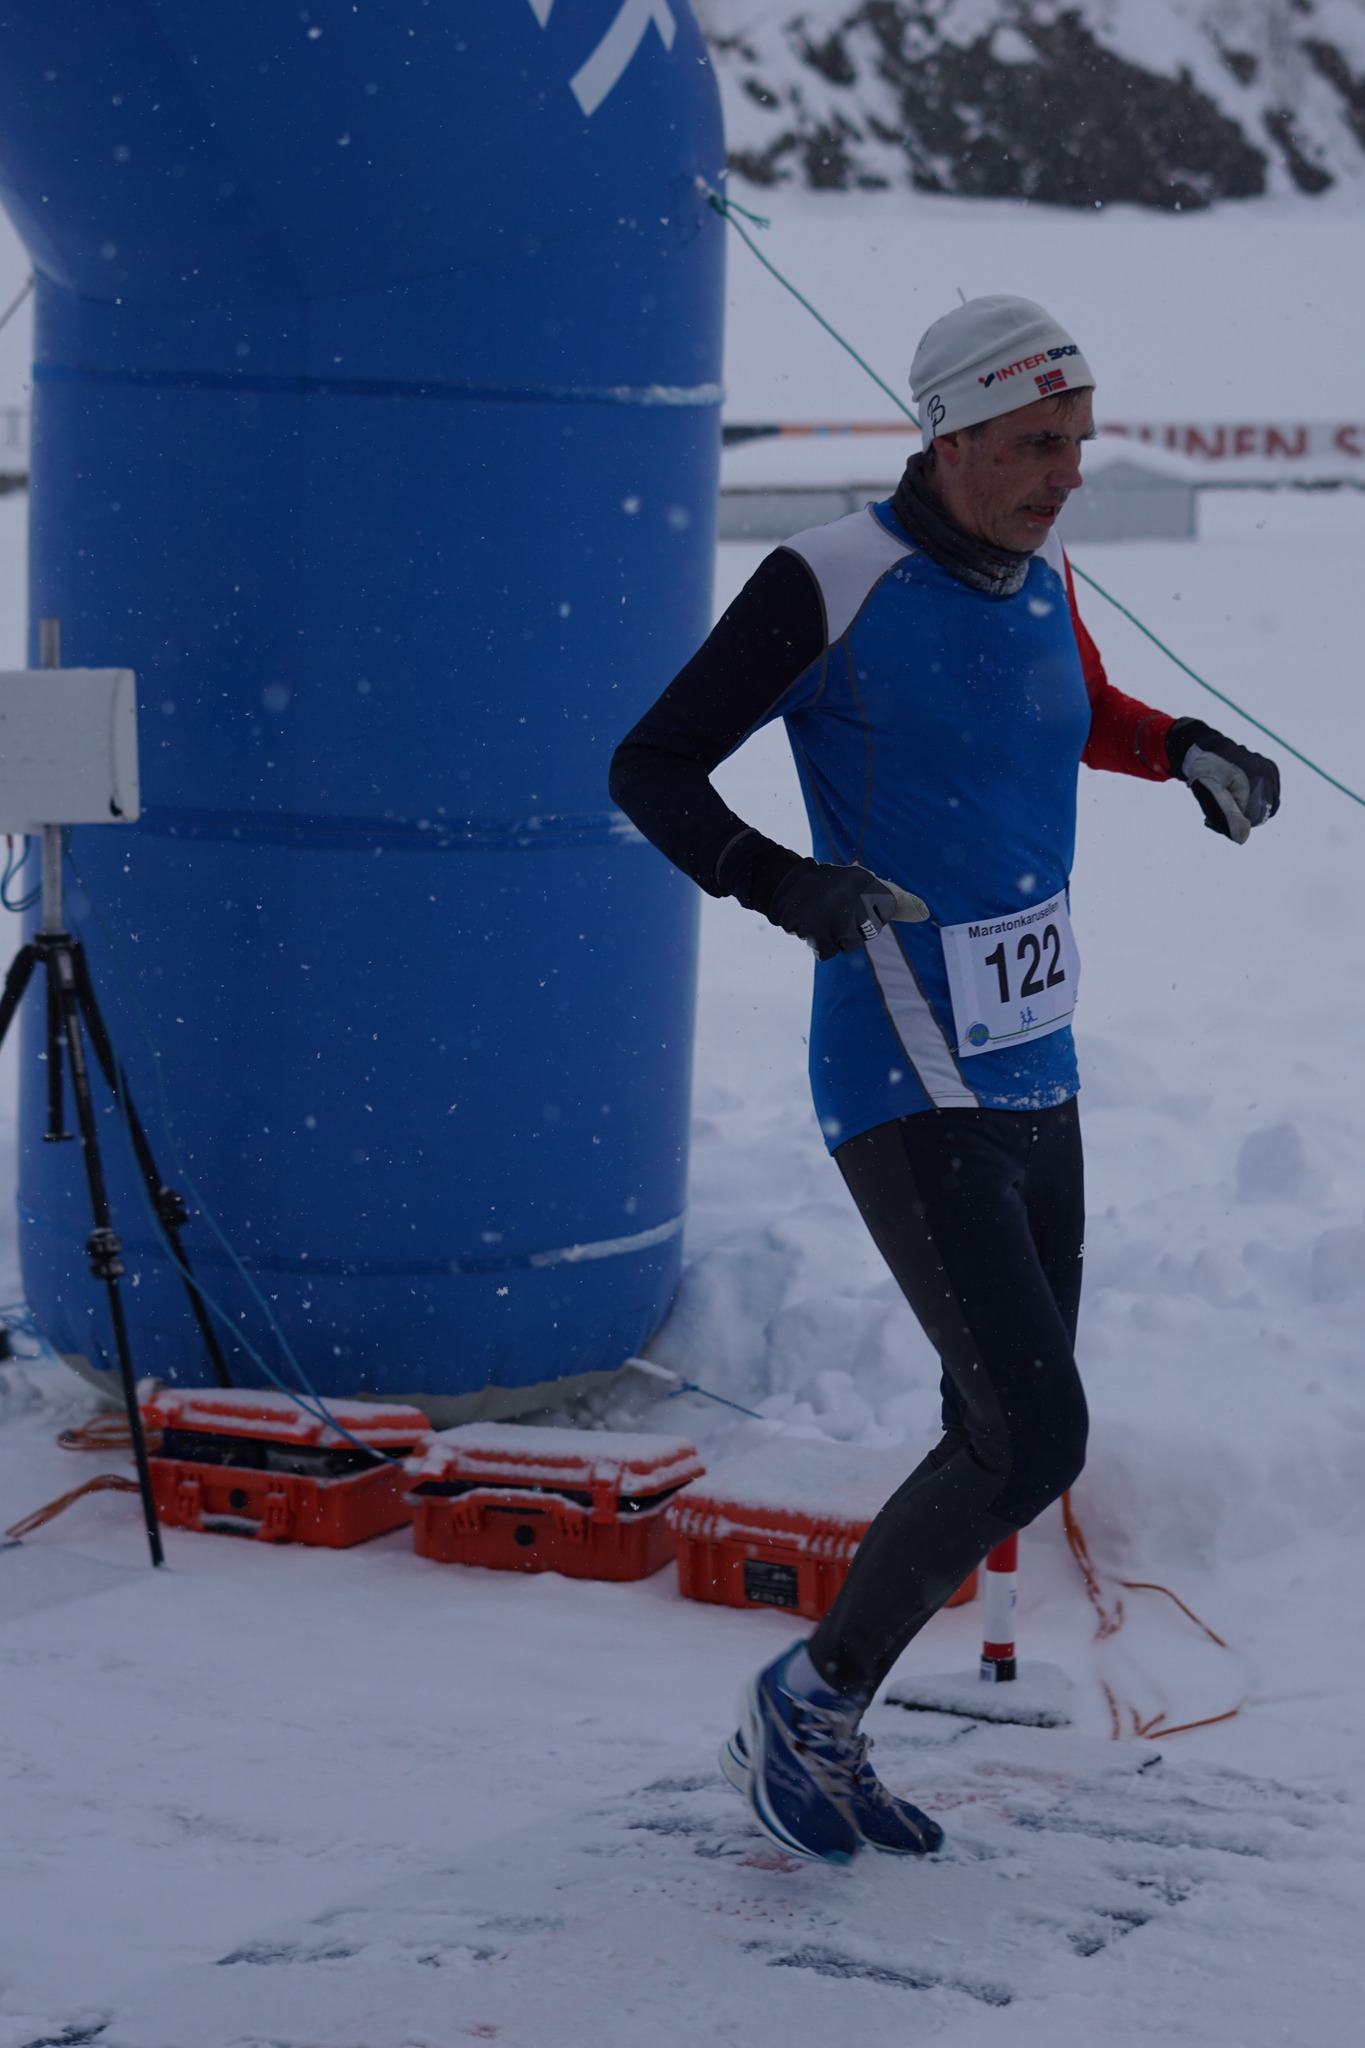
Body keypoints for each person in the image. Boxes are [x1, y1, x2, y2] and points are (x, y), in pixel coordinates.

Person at [609, 295, 1280, 1864]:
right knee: (1032, 1433)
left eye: (1077, 442)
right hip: (902, 1069)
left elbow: (1070, 708)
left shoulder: (1040, 574)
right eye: (1036, 443)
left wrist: (1179, 745)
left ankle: (824, 1719)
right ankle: (806, 1704)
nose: (1065, 474)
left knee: (988, 1430)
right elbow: (651, 763)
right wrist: (785, 885)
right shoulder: (828, 580)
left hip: (1035, 1060)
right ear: (951, 434)